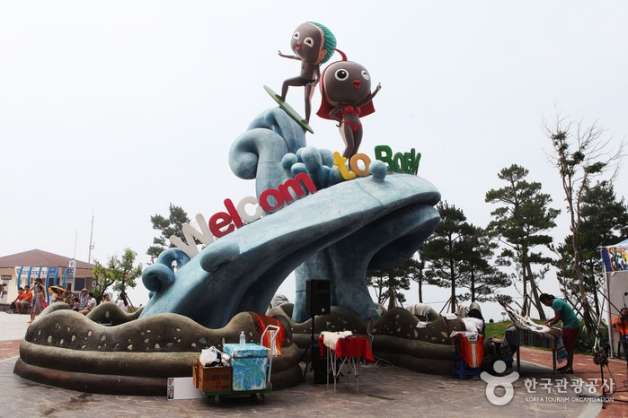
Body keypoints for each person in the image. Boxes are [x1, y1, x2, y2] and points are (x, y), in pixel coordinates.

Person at [540, 293, 580, 374]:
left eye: (544, 303)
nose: (546, 305)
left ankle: (569, 367)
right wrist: (549, 321)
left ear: (546, 300)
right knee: (567, 345)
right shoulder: (557, 301)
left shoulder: (556, 303)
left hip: (571, 326)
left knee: (569, 346)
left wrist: (549, 325)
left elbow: (557, 319)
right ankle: (568, 365)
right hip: (569, 325)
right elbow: (558, 315)